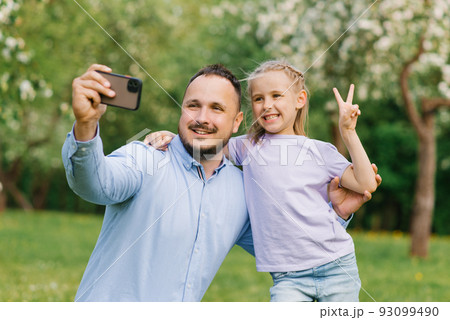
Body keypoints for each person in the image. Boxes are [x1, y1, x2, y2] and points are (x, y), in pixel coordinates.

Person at [62, 63, 380, 302]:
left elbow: (288, 244)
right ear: (182, 111)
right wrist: (86, 126)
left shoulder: (241, 192)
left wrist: (337, 215)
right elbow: (94, 184)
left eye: (217, 108)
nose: (203, 118)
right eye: (193, 106)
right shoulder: (147, 156)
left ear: (237, 121)